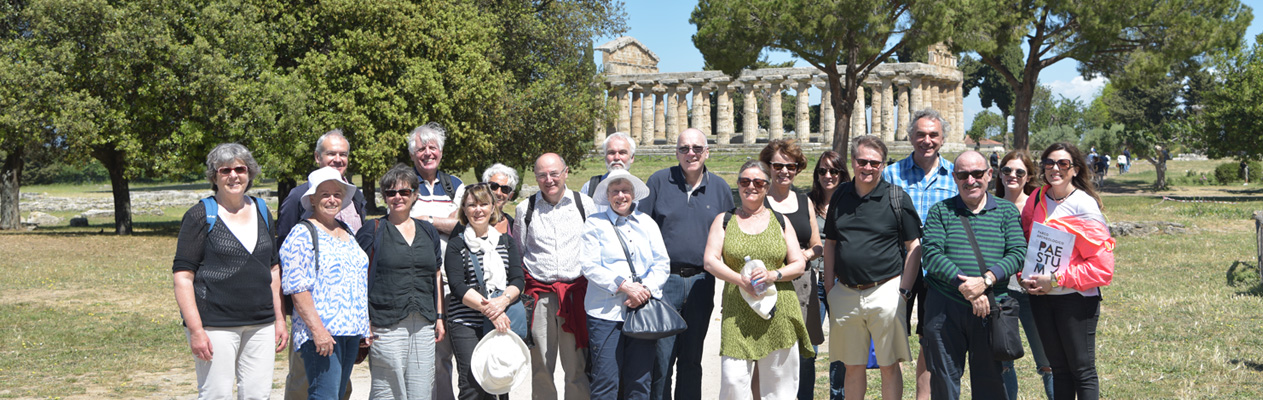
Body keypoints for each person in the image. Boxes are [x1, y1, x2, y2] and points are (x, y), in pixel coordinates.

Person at [172, 143, 286, 400]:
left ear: (249, 173)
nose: (234, 175)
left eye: (240, 169)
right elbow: (183, 277)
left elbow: (273, 268)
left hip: (261, 324)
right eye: (225, 170)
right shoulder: (200, 215)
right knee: (216, 395)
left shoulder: (262, 211)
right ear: (214, 176)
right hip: (215, 325)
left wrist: (279, 319)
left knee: (258, 395)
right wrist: (196, 330)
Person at [919, 151, 1026, 400]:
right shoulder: (940, 211)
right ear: (955, 178)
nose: (971, 180)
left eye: (977, 174)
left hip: (991, 308)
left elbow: (1017, 252)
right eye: (964, 175)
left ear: (989, 175)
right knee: (944, 383)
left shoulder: (1007, 211)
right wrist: (966, 287)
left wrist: (985, 281)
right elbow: (932, 255)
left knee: (990, 383)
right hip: (945, 308)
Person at [702, 160, 812, 399]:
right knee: (733, 381)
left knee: (779, 388)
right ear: (738, 185)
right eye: (744, 181)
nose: (751, 186)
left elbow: (799, 263)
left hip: (778, 310)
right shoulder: (725, 220)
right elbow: (710, 260)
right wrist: (741, 280)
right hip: (737, 310)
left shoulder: (781, 221)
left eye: (758, 182)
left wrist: (774, 275)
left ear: (766, 186)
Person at [639, 128, 735, 400]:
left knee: (692, 357)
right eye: (684, 148)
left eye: (696, 148)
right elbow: (642, 230)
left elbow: (730, 236)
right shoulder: (658, 182)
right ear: (676, 151)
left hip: (702, 282)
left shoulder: (720, 189)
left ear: (706, 152)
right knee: (661, 358)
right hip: (663, 281)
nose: (690, 153)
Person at [824, 135, 922, 400]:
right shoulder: (840, 195)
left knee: (889, 365)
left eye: (875, 163)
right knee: (852, 366)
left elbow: (914, 246)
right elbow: (831, 243)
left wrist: (903, 292)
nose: (868, 167)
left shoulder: (896, 197)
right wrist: (830, 287)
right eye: (862, 161)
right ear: (853, 162)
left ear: (883, 165)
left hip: (885, 290)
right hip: (845, 291)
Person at [1021, 143, 1116, 400]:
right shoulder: (1036, 199)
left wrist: (1055, 279)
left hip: (1076, 300)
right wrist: (1025, 276)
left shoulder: (1084, 205)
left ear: (1075, 169)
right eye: (1049, 163)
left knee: (1082, 371)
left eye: (1063, 164)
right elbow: (1028, 245)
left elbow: (1103, 269)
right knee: (1059, 370)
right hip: (1041, 299)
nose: (1055, 168)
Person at [277, 129, 365, 400]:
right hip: (321, 332)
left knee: (337, 394)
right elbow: (296, 284)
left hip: (349, 331)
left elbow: (357, 279)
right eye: (324, 194)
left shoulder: (346, 230)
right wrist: (317, 329)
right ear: (312, 198)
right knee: (318, 392)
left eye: (337, 194)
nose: (331, 199)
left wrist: (364, 327)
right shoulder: (302, 231)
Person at [882, 109, 958, 400]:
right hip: (895, 269)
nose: (927, 140)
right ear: (910, 136)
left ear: (942, 139)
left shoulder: (955, 175)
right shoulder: (890, 174)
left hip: (938, 272)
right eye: (921, 134)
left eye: (933, 135)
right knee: (891, 337)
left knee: (931, 339)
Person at [355, 164, 445, 400]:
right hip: (385, 323)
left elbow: (436, 274)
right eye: (391, 192)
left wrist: (439, 317)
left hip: (424, 323)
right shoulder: (372, 230)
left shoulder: (428, 231)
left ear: (415, 195)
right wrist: (364, 323)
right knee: (388, 389)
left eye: (404, 192)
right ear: (384, 196)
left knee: (422, 388)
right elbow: (358, 279)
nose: (398, 197)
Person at [580, 170, 671, 400]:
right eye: (615, 191)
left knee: (640, 381)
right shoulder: (594, 223)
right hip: (605, 313)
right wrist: (624, 286)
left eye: (626, 190)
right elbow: (589, 265)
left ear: (633, 194)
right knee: (605, 380)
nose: (621, 195)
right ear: (608, 195)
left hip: (641, 309)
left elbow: (661, 263)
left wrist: (644, 290)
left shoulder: (647, 223)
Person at [514, 153, 596, 400]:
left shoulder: (585, 204)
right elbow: (519, 252)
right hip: (540, 297)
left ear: (566, 173)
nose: (548, 180)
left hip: (575, 296)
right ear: (536, 177)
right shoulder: (524, 209)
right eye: (542, 175)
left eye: (554, 173)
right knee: (541, 367)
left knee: (577, 368)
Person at [447, 183, 527, 400]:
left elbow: (518, 279)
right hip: (466, 322)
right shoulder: (457, 244)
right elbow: (457, 286)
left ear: (493, 208)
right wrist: (493, 310)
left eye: (484, 204)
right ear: (464, 209)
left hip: (501, 319)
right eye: (472, 205)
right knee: (472, 384)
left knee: (500, 379)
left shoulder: (506, 242)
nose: (478, 209)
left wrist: (502, 303)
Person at [758, 140, 825, 400]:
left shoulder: (804, 200)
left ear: (797, 169)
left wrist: (803, 256)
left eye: (790, 166)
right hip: (770, 283)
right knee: (771, 352)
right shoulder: (760, 200)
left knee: (805, 354)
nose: (784, 171)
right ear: (768, 167)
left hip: (802, 282)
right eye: (778, 165)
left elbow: (817, 244)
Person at [407, 122, 464, 398]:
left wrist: (426, 220)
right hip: (420, 285)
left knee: (455, 355)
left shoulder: (455, 185)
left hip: (455, 284)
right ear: (413, 154)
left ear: (441, 152)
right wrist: (445, 221)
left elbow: (463, 225)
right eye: (421, 148)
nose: (427, 153)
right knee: (426, 357)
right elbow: (402, 223)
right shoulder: (404, 185)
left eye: (433, 147)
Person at [995, 150, 1055, 400]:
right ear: (999, 173)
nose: (1013, 175)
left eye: (1020, 171)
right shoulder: (989, 205)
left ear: (1029, 175)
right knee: (1003, 361)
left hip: (1033, 290)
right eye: (1007, 170)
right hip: (999, 291)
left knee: (1047, 362)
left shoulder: (1040, 204)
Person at [808, 150, 851, 399]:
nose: (828, 175)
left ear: (842, 174)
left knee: (841, 348)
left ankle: (839, 395)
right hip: (814, 283)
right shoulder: (807, 203)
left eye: (833, 171)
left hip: (842, 282)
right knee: (809, 347)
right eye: (822, 171)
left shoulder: (852, 203)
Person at [581, 132, 637, 214]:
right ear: (605, 157)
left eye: (622, 153)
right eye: (611, 153)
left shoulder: (640, 189)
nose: (616, 157)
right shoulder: (589, 188)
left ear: (632, 158)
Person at [482, 163, 519, 236]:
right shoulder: (469, 221)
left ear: (510, 196)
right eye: (494, 186)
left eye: (505, 189)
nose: (498, 193)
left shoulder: (513, 227)